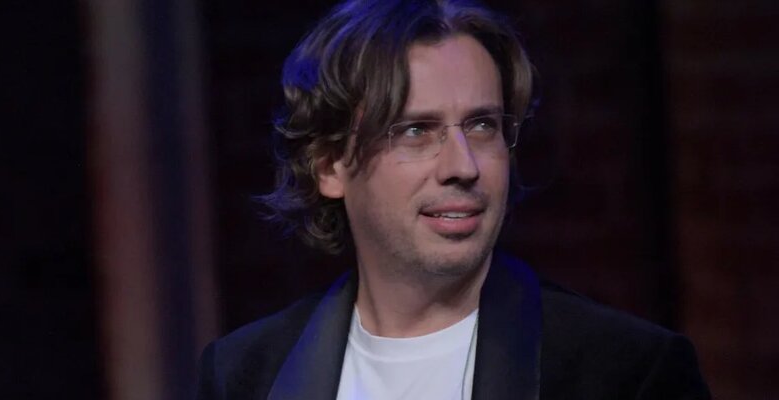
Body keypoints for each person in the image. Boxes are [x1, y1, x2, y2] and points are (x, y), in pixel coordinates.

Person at [196, 0, 711, 399]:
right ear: (330, 165)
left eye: (483, 126)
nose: (463, 166)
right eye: (416, 130)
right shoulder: (245, 375)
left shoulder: (626, 373)